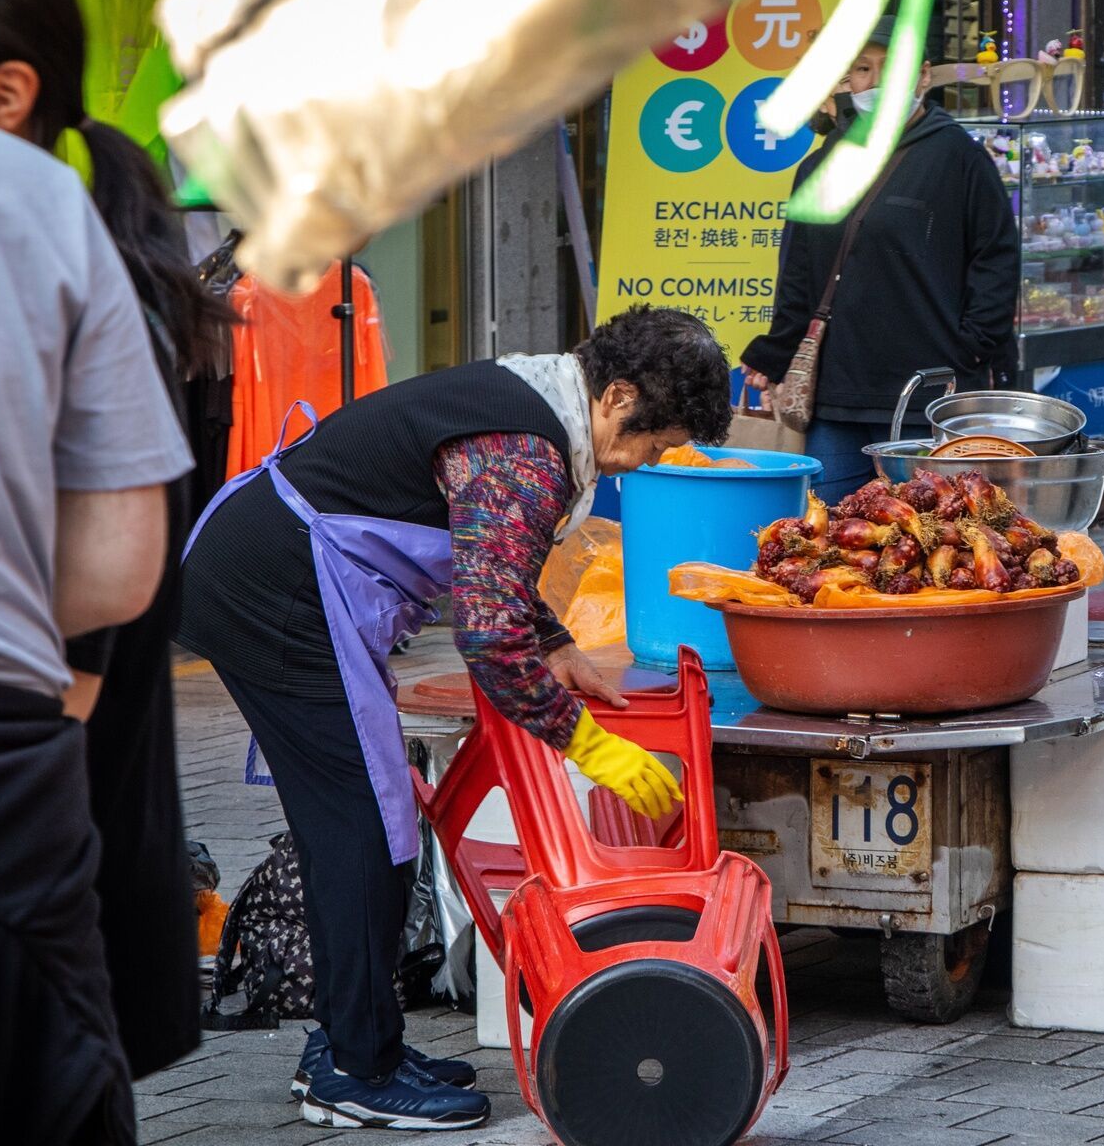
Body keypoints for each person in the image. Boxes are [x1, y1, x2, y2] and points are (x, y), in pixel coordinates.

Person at [177, 306, 731, 1130]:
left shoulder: (537, 400)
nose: (646, 463)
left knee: (364, 822)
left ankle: (353, 1042)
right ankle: (356, 1073)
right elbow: (487, 633)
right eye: (655, 444)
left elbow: (487, 559)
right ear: (618, 396)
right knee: (365, 826)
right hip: (278, 593)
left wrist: (557, 643)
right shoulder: (527, 453)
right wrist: (588, 745)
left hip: (273, 573)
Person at [0, 0, 238, 1085]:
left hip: (46, 730)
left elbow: (121, 568)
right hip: (36, 743)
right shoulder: (74, 228)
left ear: (7, 92)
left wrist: (61, 692)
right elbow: (124, 561)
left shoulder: (46, 229)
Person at [740, 15, 1020, 502]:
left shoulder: (959, 159)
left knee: (931, 533)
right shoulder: (821, 165)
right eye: (863, 69)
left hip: (929, 399)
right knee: (830, 529)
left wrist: (971, 347)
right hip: (838, 398)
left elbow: (996, 261)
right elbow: (800, 275)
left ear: (923, 76)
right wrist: (776, 349)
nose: (876, 82)